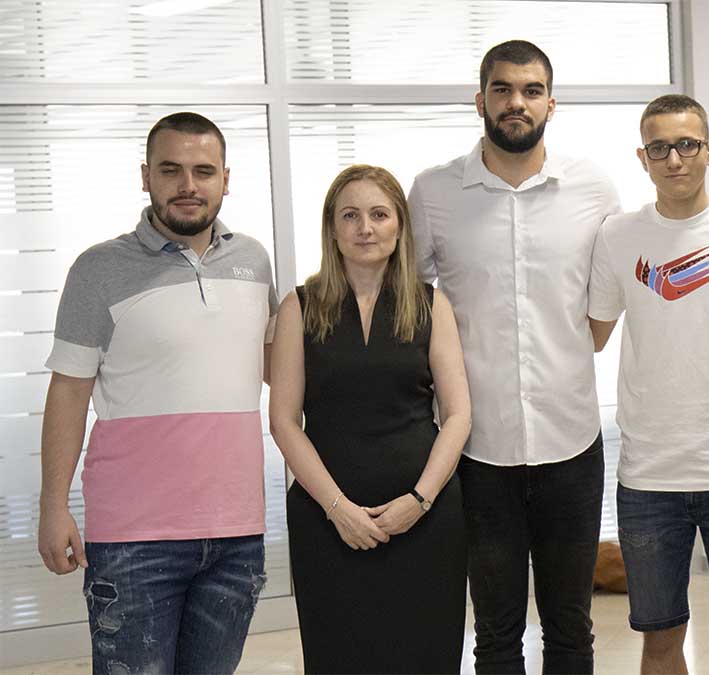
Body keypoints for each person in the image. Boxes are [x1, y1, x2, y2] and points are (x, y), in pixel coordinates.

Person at [408, 40, 621, 674]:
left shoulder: (593, 188)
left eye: (531, 90)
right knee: (496, 632)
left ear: (552, 103)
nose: (516, 102)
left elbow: (602, 311)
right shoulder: (435, 192)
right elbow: (410, 307)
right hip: (478, 449)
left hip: (572, 442)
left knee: (570, 628)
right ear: (480, 100)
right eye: (502, 89)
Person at [37, 112, 276, 674]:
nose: (188, 185)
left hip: (237, 535)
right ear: (146, 176)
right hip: (133, 540)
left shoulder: (253, 261)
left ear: (225, 179)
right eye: (171, 170)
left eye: (203, 171)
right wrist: (53, 506)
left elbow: (279, 371)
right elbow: (68, 392)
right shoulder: (98, 269)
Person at [589, 94, 709, 675]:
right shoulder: (618, 235)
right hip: (649, 478)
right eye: (659, 148)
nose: (674, 159)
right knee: (659, 644)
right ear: (642, 157)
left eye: (687, 145)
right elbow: (592, 334)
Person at [269, 164, 470, 674]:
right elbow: (284, 421)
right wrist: (338, 509)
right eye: (350, 216)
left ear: (399, 225)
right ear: (332, 227)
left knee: (425, 658)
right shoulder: (299, 306)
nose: (365, 228)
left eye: (379, 215)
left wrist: (419, 501)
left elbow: (458, 415)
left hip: (425, 519)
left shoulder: (431, 304)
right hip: (326, 520)